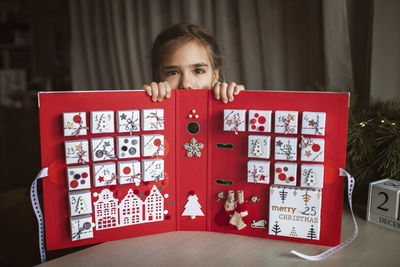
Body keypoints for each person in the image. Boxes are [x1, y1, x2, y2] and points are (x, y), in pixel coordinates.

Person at [142, 24, 245, 103]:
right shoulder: (148, 108)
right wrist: (143, 102)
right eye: (173, 73)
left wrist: (239, 102)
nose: (186, 84)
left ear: (214, 75)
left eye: (198, 71)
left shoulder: (230, 105)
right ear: (157, 76)